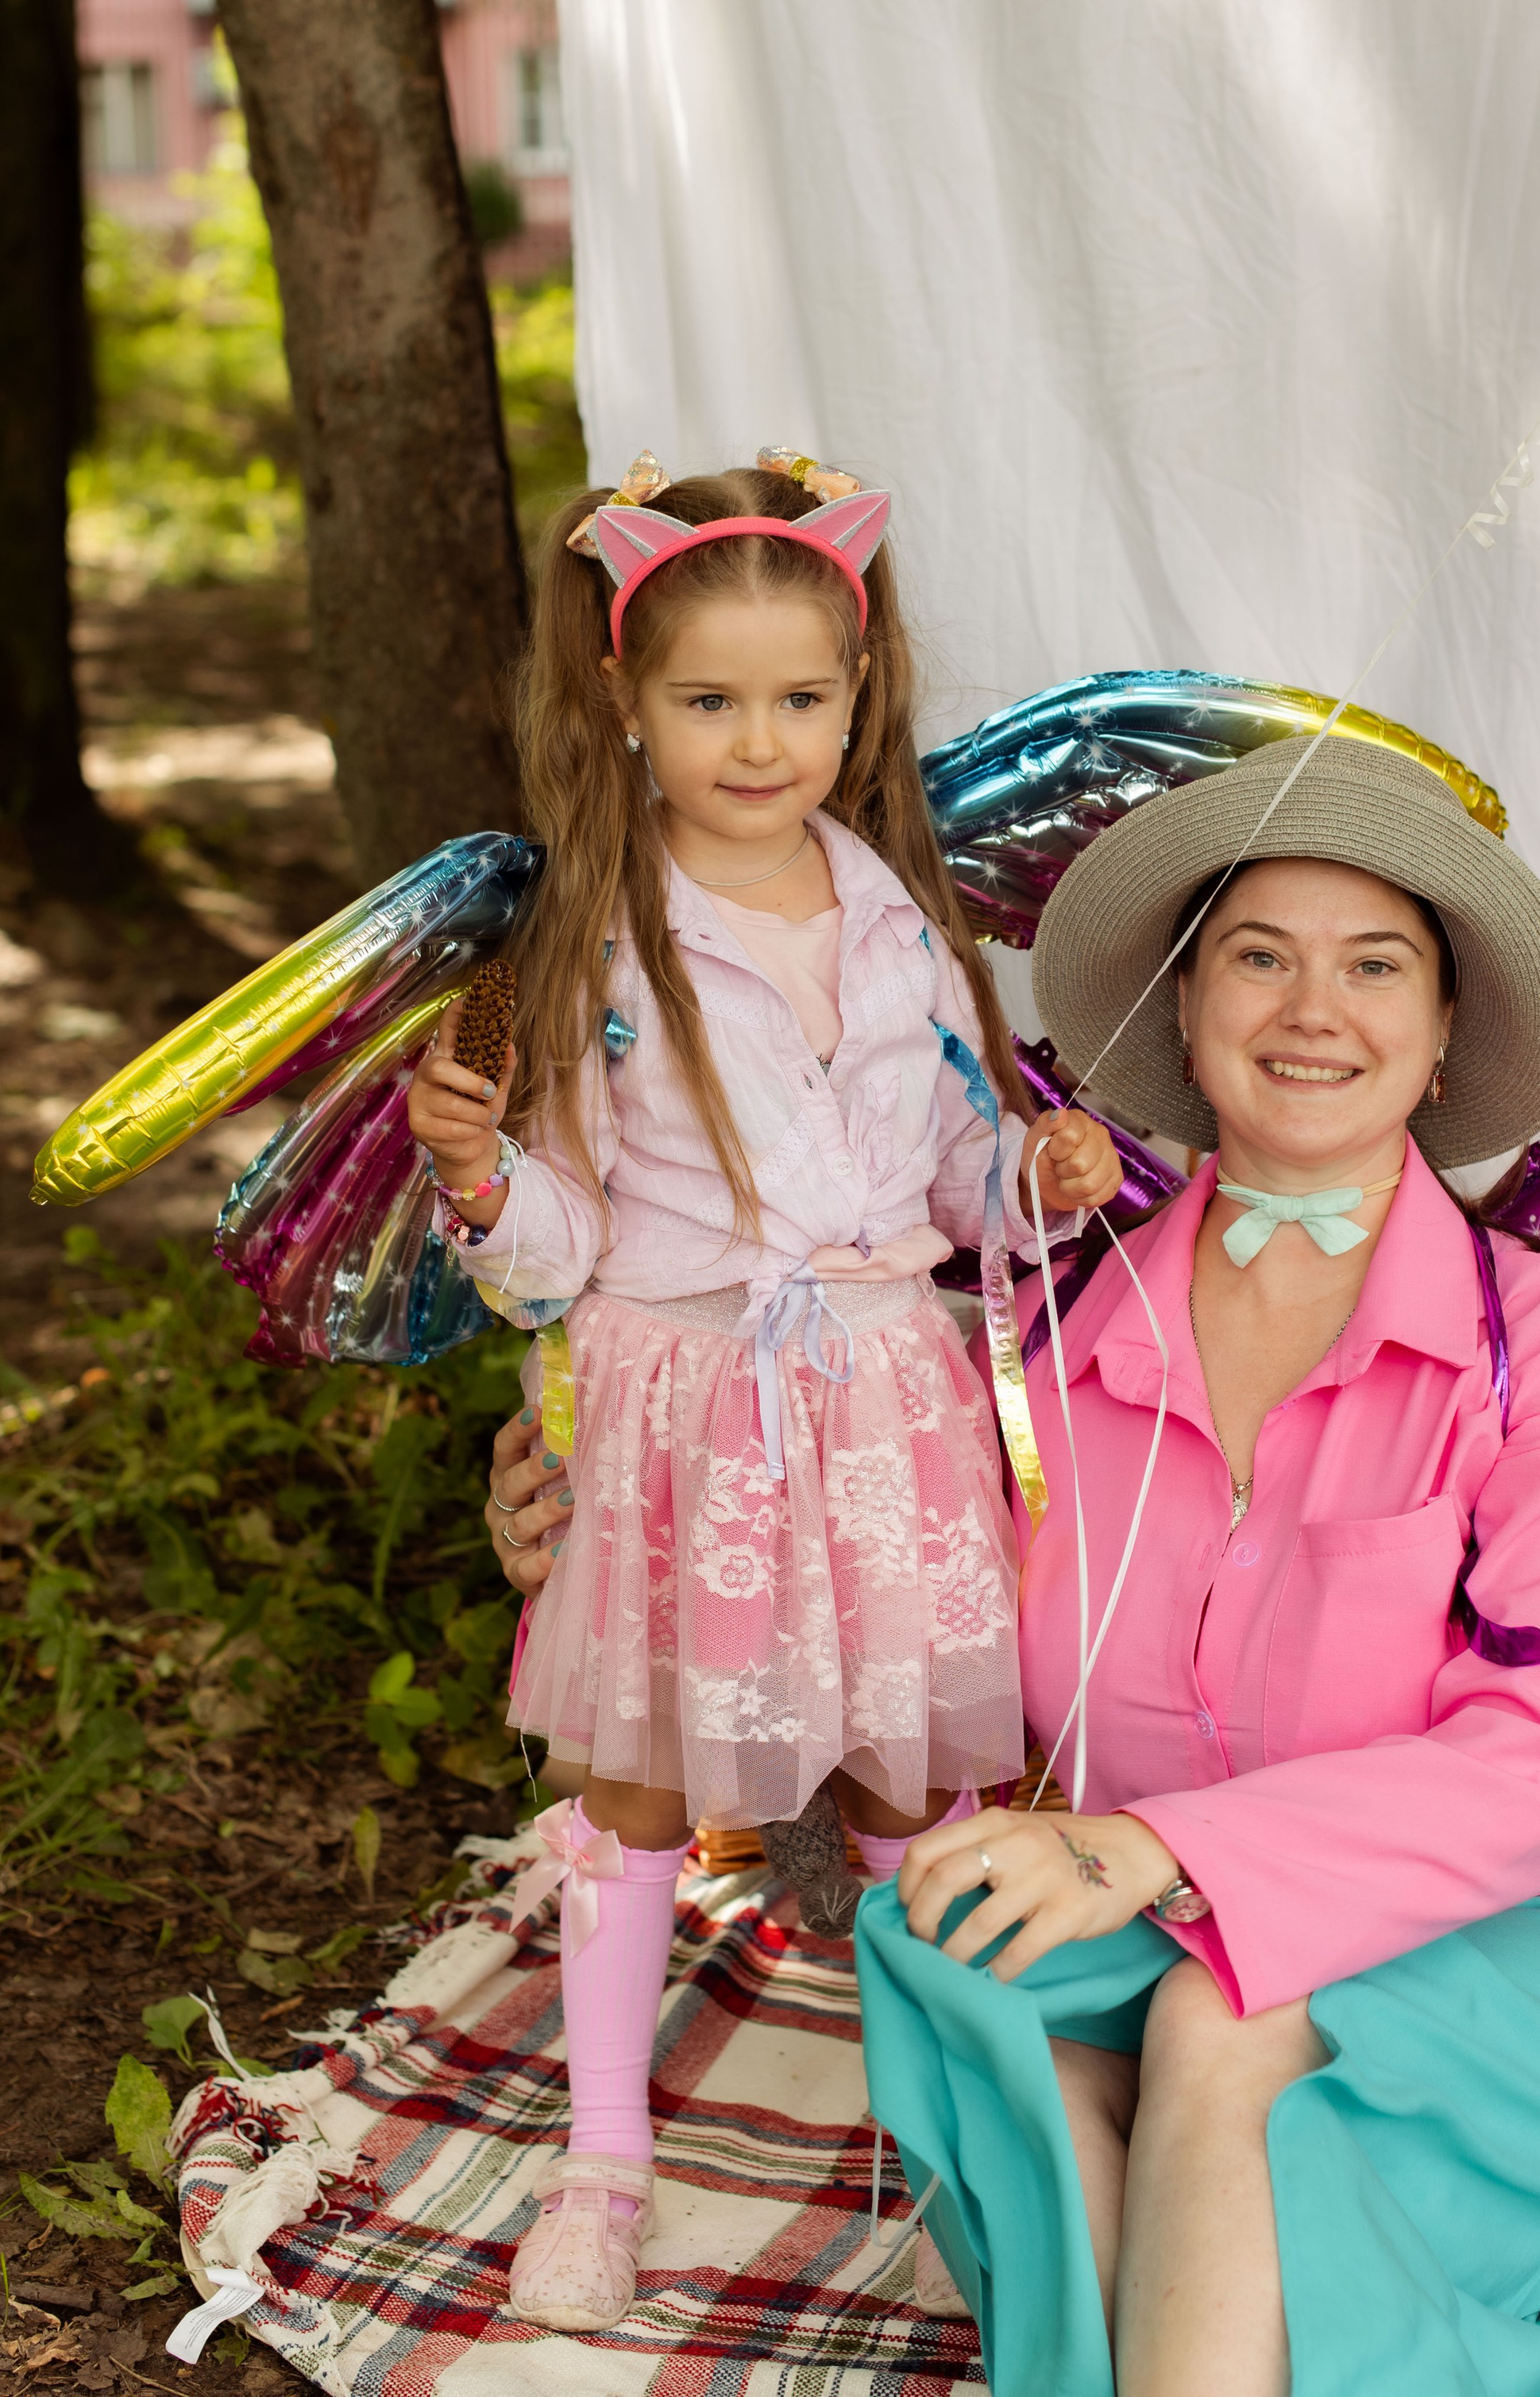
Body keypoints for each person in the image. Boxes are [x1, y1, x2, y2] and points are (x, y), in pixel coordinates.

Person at [854, 733, 1540, 2397]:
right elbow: (906, 1640)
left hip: (1526, 1943)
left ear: (1435, 1043)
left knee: (1228, 2023)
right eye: (1256, 958)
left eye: (1372, 966)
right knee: (951, 1962)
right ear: (1185, 1013)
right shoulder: (1044, 1346)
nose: (1309, 1008)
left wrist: (1152, 1846)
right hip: (1146, 1930)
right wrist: (616, 1543)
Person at [411, 451, 1121, 2333]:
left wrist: (1029, 1177)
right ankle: (606, 2157)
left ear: (857, 693)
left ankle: (961, 2128)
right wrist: (486, 1181)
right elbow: (559, 1246)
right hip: (684, 1409)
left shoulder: (902, 921)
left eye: (798, 698)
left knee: (914, 1756)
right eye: (707, 701)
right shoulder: (596, 937)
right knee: (638, 1778)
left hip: (881, 1394)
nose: (757, 741)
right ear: (627, 710)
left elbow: (949, 1183)